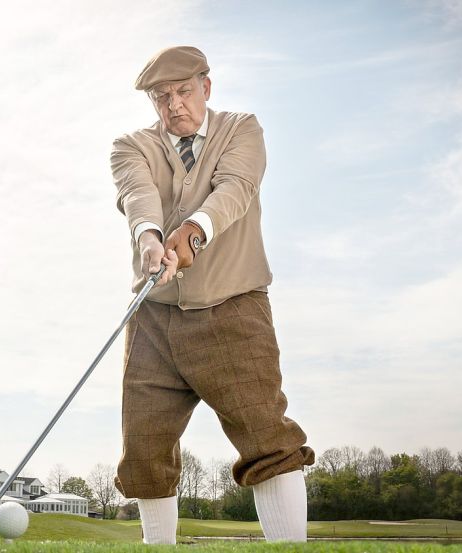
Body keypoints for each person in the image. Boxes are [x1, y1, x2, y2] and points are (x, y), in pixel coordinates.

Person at [110, 46, 315, 544]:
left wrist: (194, 231)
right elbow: (136, 195)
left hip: (233, 308)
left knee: (265, 433)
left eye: (183, 91)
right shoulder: (130, 145)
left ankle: (288, 546)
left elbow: (235, 189)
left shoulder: (241, 128)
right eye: (162, 97)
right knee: (144, 446)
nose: (174, 104)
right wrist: (149, 237)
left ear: (207, 86)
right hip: (153, 320)